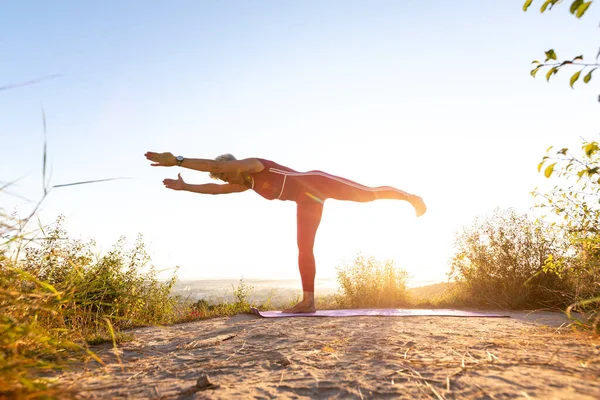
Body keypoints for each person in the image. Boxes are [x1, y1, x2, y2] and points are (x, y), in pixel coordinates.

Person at [144, 151, 427, 313]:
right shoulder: (245, 184)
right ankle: (308, 301)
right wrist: (186, 187)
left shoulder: (254, 165)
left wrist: (178, 160)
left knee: (367, 194)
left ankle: (410, 197)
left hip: (318, 182)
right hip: (306, 201)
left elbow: (216, 167)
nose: (226, 179)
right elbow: (215, 189)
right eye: (225, 178)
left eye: (227, 174)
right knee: (304, 247)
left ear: (234, 165)